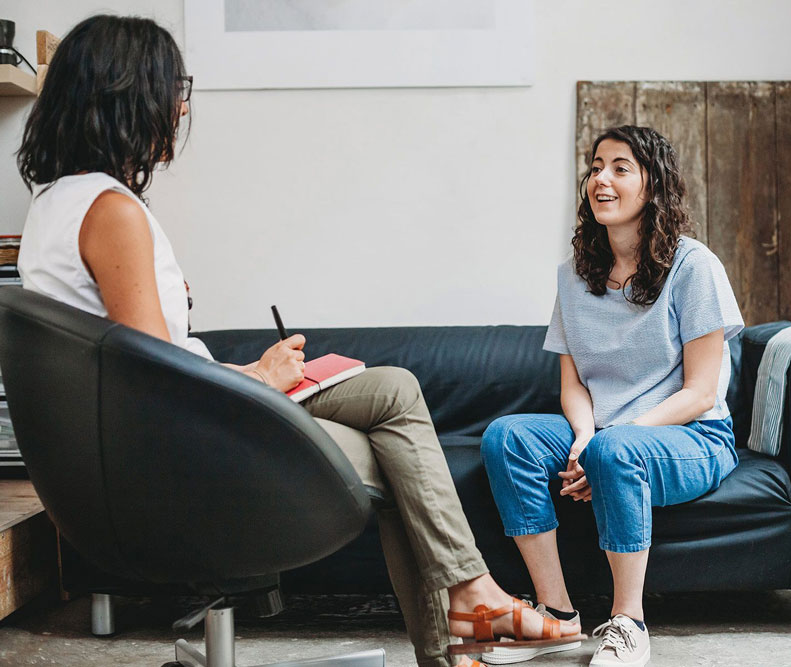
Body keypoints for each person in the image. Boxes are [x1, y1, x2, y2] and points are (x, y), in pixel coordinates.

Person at [14, 15, 581, 667]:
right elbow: (152, 383)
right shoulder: (110, 211)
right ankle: (465, 620)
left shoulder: (57, 204)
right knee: (396, 448)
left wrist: (250, 368)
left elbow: (141, 362)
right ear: (128, 93)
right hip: (173, 461)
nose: (181, 106)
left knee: (394, 390)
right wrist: (259, 381)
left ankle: (464, 624)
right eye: (175, 88)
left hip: (148, 451)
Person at [480, 125, 745, 667]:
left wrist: (610, 441)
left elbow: (699, 393)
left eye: (620, 167)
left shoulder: (694, 268)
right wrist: (583, 440)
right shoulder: (574, 277)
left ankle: (629, 622)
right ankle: (556, 616)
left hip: (690, 435)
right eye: (597, 166)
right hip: (605, 430)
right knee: (507, 437)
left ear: (655, 185)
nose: (601, 178)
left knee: (614, 450)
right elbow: (572, 383)